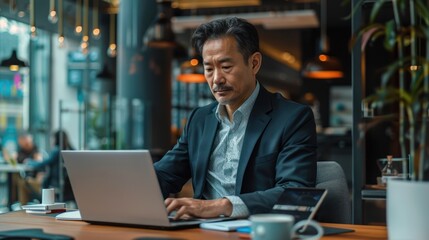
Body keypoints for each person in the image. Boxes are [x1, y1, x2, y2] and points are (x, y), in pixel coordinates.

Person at [154, 17, 317, 219]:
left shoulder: (292, 118)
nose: (216, 79)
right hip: (198, 231)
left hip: (255, 231)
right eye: (209, 69)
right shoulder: (199, 119)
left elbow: (295, 193)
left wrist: (221, 206)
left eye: (226, 66)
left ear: (254, 63)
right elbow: (163, 176)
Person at [25, 130, 75, 202]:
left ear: (56, 139)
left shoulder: (57, 150)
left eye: (53, 138)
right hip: (68, 184)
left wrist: (30, 162)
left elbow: (44, 163)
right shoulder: (71, 150)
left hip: (55, 182)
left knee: (27, 182)